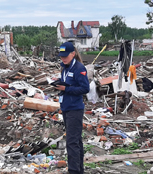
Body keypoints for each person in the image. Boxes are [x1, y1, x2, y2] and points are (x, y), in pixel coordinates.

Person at [55, 42, 89, 174]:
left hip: (75, 109)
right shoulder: (65, 67)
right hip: (66, 107)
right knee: (76, 141)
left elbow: (85, 88)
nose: (63, 59)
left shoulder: (79, 68)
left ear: (73, 54)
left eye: (66, 56)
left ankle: (74, 171)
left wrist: (67, 88)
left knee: (71, 142)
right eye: (61, 56)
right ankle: (79, 170)